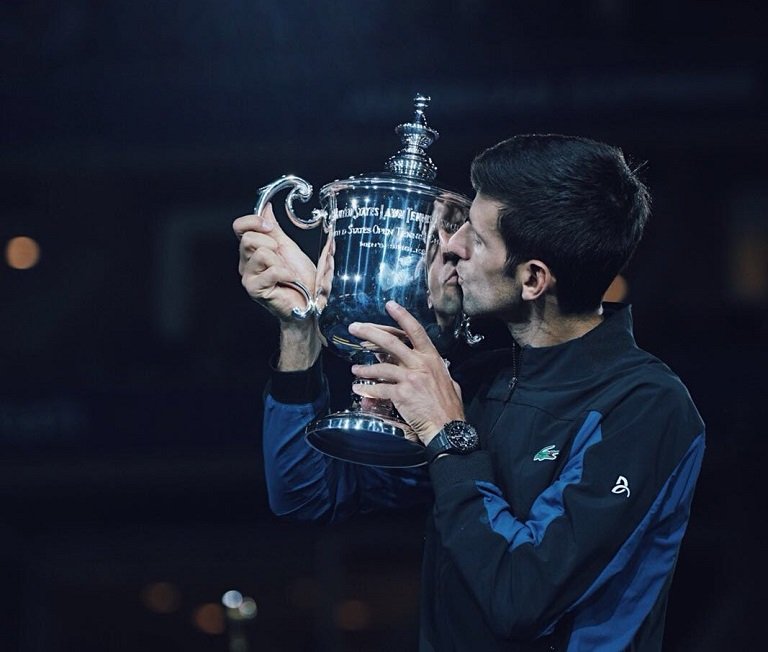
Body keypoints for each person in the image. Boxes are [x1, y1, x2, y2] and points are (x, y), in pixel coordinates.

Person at [233, 134, 705, 651]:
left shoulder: (644, 406)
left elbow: (519, 597)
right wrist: (301, 328)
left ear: (532, 279)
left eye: (475, 239)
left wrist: (446, 434)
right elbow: (307, 493)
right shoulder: (481, 382)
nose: (450, 246)